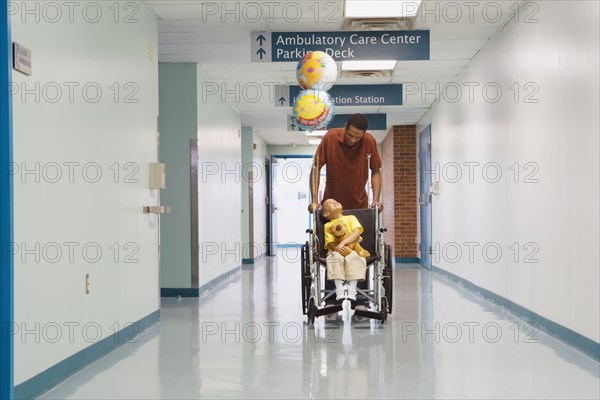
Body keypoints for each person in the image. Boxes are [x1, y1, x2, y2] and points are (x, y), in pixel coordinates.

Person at [307, 113, 383, 318]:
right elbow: (315, 168)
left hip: (359, 205)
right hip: (331, 209)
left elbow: (376, 170)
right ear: (345, 127)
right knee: (332, 251)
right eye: (350, 135)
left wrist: (376, 199)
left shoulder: (369, 142)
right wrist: (314, 200)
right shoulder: (331, 138)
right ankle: (332, 300)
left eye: (358, 137)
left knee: (361, 251)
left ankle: (362, 300)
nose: (353, 140)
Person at [321, 198, 367, 303]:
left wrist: (343, 243)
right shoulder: (327, 226)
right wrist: (338, 248)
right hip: (336, 251)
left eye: (335, 201)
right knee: (334, 259)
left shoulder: (351, 218)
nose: (335, 202)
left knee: (356, 257)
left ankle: (352, 290)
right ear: (326, 213)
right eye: (330, 203)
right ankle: (339, 290)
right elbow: (330, 242)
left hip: (352, 249)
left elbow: (356, 233)